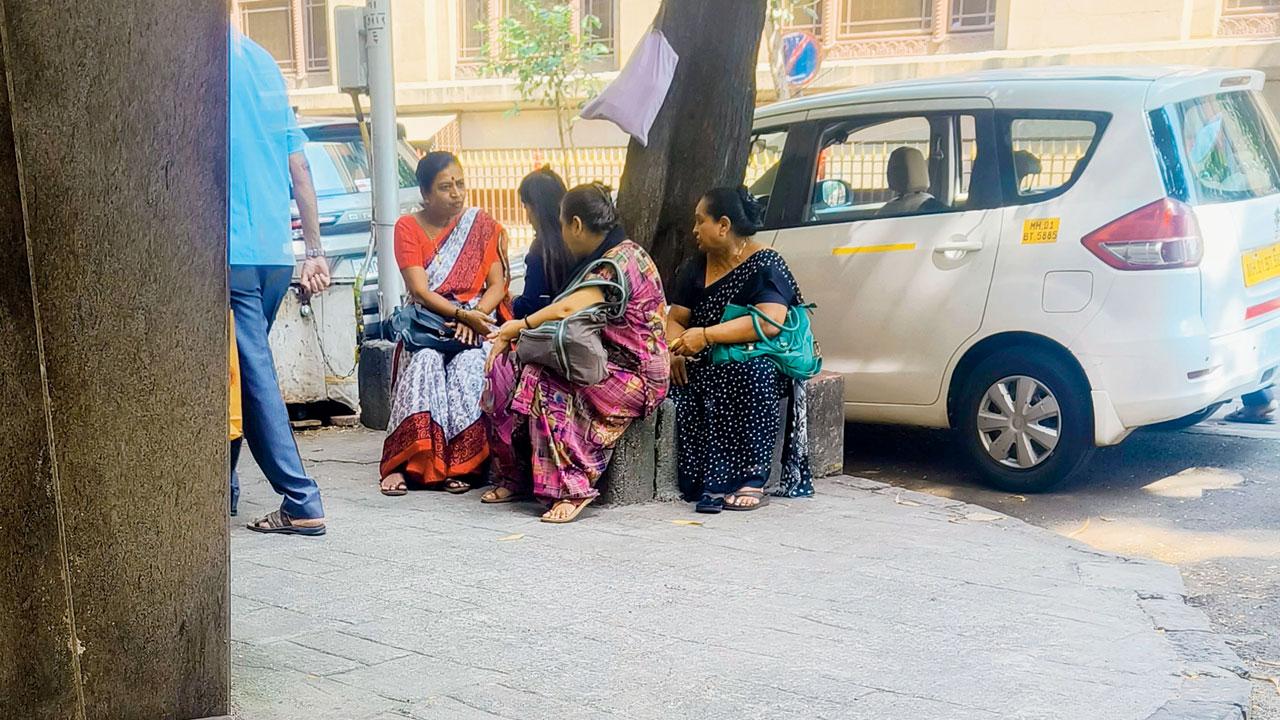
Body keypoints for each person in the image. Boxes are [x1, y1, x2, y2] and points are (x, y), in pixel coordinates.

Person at [481, 184, 670, 523]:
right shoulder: (624, 252)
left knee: (540, 380)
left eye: (564, 224)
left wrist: (517, 326)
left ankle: (574, 487)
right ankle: (518, 477)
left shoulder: (613, 266)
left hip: (635, 377)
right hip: (612, 363)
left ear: (577, 225)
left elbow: (568, 307)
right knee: (515, 370)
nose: (564, 234)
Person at [230, 32, 328, 536]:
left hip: (228, 252)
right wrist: (313, 250)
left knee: (250, 374)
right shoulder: (263, 61)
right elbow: (299, 165)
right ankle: (223, 486)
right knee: (234, 369)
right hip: (272, 252)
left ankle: (300, 498)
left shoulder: (195, 58)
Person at [668, 187, 814, 513]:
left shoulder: (765, 263)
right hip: (704, 364)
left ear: (723, 225)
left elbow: (770, 321)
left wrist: (706, 335)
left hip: (752, 360)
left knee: (752, 374)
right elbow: (676, 318)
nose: (694, 230)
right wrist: (674, 351)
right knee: (677, 389)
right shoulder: (695, 267)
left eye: (699, 221)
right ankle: (709, 478)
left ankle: (752, 477)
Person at [379, 152, 510, 496]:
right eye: (445, 187)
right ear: (425, 193)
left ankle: (464, 464)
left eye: (460, 184)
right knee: (426, 364)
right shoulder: (408, 227)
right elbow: (419, 290)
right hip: (428, 325)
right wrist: (459, 315)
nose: (456, 193)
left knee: (469, 365)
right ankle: (406, 464)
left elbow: (497, 284)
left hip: (475, 322)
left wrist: (476, 315)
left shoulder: (479, 226)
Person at [511, 167, 572, 318]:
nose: (527, 217)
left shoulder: (540, 250)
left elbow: (530, 306)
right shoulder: (578, 241)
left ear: (535, 208)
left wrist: (511, 299)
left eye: (526, 207)